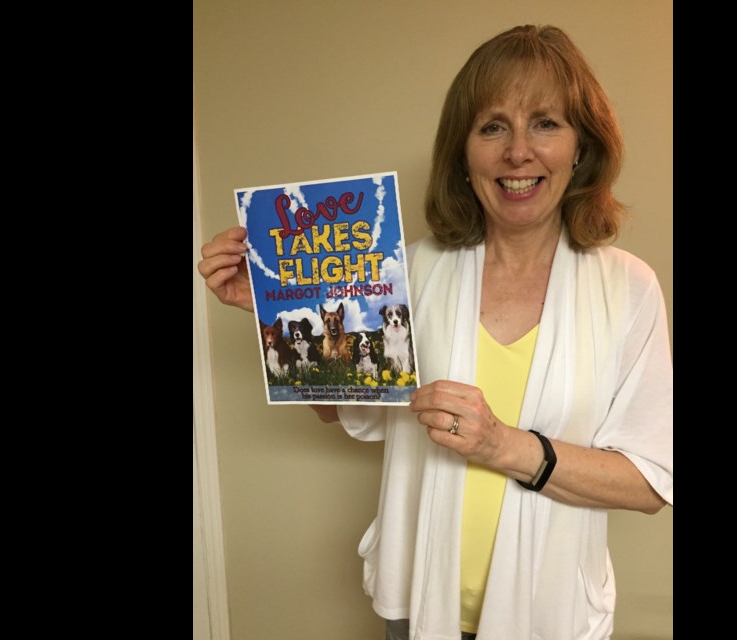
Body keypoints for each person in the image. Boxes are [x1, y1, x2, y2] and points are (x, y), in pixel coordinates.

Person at [198, 24, 672, 640]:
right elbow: (345, 407)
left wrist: (504, 445)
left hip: (554, 617)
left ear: (581, 148)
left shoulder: (628, 288)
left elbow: (649, 480)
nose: (518, 152)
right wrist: (277, 315)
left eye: (546, 123)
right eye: (492, 126)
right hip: (418, 605)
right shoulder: (407, 271)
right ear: (463, 152)